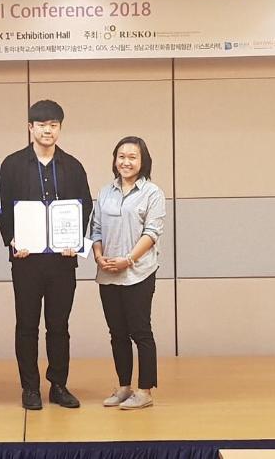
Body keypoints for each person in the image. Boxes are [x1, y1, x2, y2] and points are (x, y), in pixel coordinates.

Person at [0, 100, 93, 410]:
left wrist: (76, 241)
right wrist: (12, 240)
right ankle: (30, 388)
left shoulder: (73, 166)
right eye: (41, 125)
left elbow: (85, 206)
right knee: (26, 325)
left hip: (62, 261)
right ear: (30, 128)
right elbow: (2, 207)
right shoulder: (12, 165)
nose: (47, 130)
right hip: (26, 260)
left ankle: (58, 385)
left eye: (53, 125)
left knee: (59, 325)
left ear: (60, 128)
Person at [90, 136, 166, 410]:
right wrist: (99, 256)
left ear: (143, 161)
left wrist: (128, 260)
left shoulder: (153, 193)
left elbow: (152, 233)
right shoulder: (105, 192)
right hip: (108, 273)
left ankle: (145, 391)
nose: (126, 162)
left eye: (132, 157)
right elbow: (96, 229)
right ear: (115, 160)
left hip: (139, 273)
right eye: (121, 156)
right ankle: (124, 387)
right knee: (117, 333)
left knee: (140, 332)